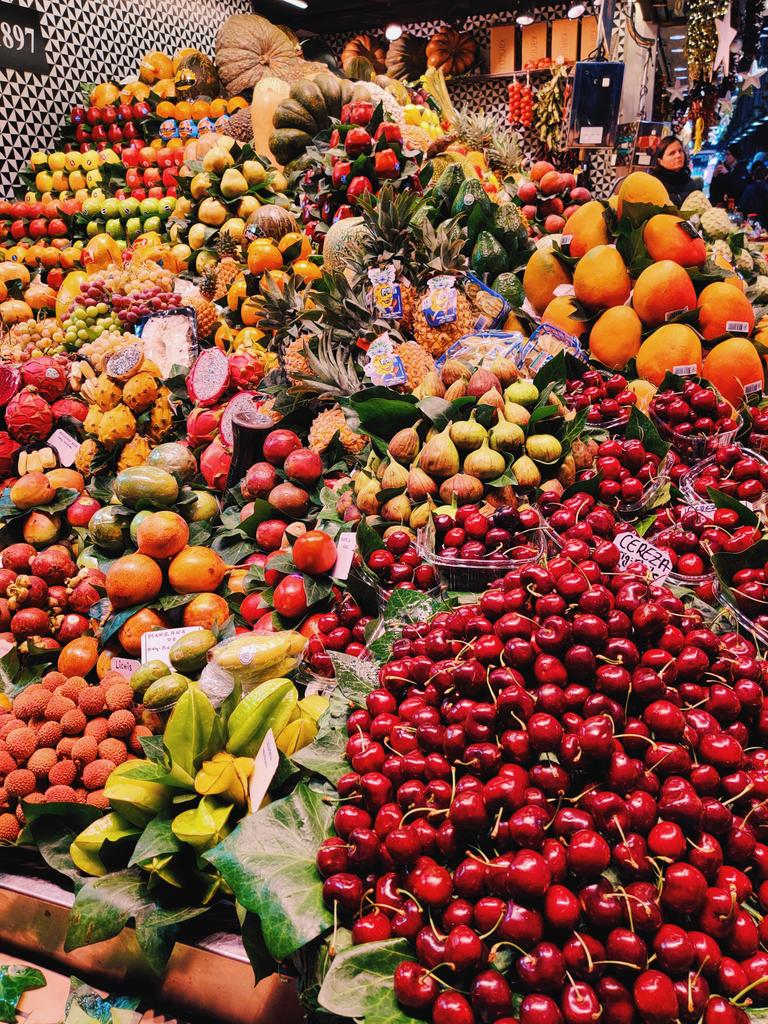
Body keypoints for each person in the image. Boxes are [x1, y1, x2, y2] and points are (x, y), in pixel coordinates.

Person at [650, 136, 700, 207]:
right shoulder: (654, 184)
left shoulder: (691, 183)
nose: (678, 155)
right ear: (660, 161)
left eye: (680, 151)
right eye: (672, 153)